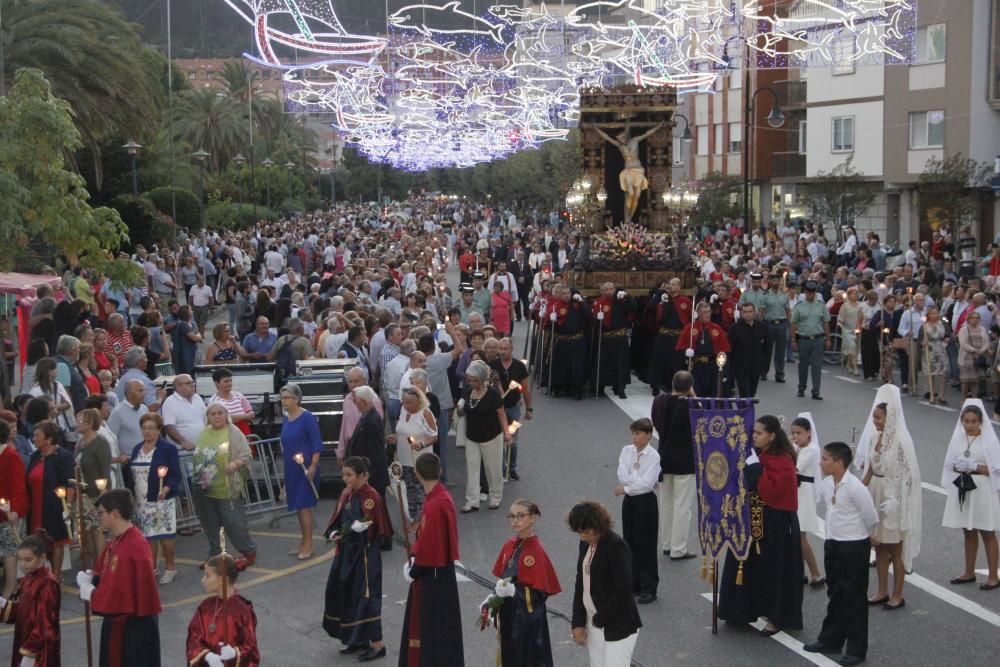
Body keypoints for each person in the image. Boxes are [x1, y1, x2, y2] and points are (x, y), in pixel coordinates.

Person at [718, 415, 803, 634]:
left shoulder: (783, 460)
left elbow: (772, 492)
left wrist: (755, 469)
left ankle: (777, 617)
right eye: (753, 432)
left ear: (772, 435)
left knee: (772, 570)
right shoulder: (757, 454)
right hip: (750, 518)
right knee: (744, 564)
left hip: (774, 522)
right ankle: (740, 610)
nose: (754, 436)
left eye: (759, 433)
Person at [804, 442, 879, 667]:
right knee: (835, 593)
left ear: (839, 463)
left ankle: (856, 648)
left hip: (854, 546)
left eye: (826, 459)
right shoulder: (828, 484)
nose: (821, 462)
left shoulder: (855, 487)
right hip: (833, 544)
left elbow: (871, 516)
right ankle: (831, 639)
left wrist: (865, 536)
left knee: (854, 598)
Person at [78, 488, 162, 667]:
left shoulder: (133, 546)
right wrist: (92, 579)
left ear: (115, 514)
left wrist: (92, 593)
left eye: (101, 513)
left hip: (133, 628)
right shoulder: (118, 541)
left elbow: (120, 591)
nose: (98, 517)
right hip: (119, 623)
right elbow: (109, 574)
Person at [854, 386, 922, 609]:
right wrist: (857, 489)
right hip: (876, 491)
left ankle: (898, 594)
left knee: (895, 549)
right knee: (879, 547)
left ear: (890, 417)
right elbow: (871, 469)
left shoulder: (901, 443)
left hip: (893, 496)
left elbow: (910, 476)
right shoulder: (875, 438)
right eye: (874, 417)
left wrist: (896, 500)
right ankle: (882, 590)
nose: (875, 421)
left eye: (879, 417)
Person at [322, 456, 393, 662]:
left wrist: (365, 528)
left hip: (364, 556)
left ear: (363, 476)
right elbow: (337, 518)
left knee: (366, 597)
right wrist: (334, 533)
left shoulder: (371, 496)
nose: (345, 479)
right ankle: (356, 638)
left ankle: (377, 644)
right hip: (345, 554)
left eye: (350, 475)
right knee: (347, 594)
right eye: (344, 474)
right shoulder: (347, 493)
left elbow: (376, 525)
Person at [399, 452, 464, 667]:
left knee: (433, 629)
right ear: (440, 471)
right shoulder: (437, 496)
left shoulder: (436, 503)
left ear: (417, 475)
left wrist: (414, 569)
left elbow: (431, 546)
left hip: (434, 577)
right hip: (437, 572)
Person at [568, 500, 641, 667]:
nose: (583, 537)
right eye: (579, 533)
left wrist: (600, 618)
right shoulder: (585, 544)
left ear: (598, 526)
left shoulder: (616, 546)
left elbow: (624, 589)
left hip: (618, 623)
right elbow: (581, 582)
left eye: (586, 532)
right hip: (594, 621)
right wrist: (578, 621)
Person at [489, 499, 561, 667]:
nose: (515, 520)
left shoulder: (536, 551)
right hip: (509, 615)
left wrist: (514, 591)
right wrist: (493, 599)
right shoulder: (509, 545)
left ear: (532, 518)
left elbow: (540, 594)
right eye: (512, 516)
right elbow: (503, 578)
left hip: (528, 622)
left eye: (520, 516)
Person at [940, 400, 1000, 589]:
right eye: (966, 421)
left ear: (980, 421)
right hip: (965, 487)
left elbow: (996, 468)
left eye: (973, 421)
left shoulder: (988, 441)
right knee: (968, 530)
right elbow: (949, 463)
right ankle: (969, 571)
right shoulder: (958, 438)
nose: (969, 425)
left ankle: (993, 576)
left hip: (982, 489)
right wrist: (957, 465)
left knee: (987, 532)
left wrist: (975, 466)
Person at [191, 404, 257, 572]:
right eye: (213, 414)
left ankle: (248, 552)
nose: (217, 416)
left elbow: (246, 454)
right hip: (205, 488)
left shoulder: (233, 432)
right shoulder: (205, 432)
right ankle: (216, 555)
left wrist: (235, 463)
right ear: (208, 416)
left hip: (227, 487)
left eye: (220, 413)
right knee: (210, 523)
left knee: (233, 522)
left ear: (226, 415)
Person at [127, 413, 181, 584]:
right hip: (141, 501)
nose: (147, 432)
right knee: (147, 536)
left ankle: (171, 567)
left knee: (165, 535)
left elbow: (175, 474)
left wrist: (165, 488)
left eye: (151, 428)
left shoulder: (167, 449)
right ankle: (152, 568)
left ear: (159, 430)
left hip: (161, 499)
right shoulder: (137, 449)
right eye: (144, 428)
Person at [651, 370, 696, 560]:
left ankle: (667, 543)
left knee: (667, 504)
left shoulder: (660, 401)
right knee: (682, 507)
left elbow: (656, 423)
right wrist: (694, 395)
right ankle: (679, 548)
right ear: (690, 387)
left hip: (664, 457)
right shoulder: (692, 405)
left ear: (672, 383)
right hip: (685, 460)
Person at [614, 418, 660, 604]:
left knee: (646, 544)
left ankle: (649, 586)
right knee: (630, 541)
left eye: (639, 434)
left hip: (646, 503)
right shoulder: (626, 451)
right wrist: (632, 485)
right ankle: (634, 583)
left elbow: (648, 483)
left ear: (648, 435)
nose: (635, 437)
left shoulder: (653, 456)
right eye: (633, 433)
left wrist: (626, 488)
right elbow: (622, 474)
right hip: (630, 502)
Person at [0, 530, 61, 667]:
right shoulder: (28, 579)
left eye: (28, 560)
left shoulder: (48, 583)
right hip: (24, 639)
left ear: (42, 557)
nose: (23, 564)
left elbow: (45, 624)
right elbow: (21, 611)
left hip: (39, 650)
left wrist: (30, 654)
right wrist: (2, 604)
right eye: (20, 559)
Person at [186, 554, 260, 667]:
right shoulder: (205, 607)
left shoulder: (243, 610)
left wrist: (235, 653)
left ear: (222, 579)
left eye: (207, 575)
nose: (203, 580)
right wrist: (207, 656)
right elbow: (194, 637)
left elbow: (251, 647)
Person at [278, 383, 323, 560]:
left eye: (287, 397)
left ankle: (309, 544)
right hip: (292, 469)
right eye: (282, 398)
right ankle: (303, 541)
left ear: (296, 399)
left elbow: (316, 443)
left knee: (304, 506)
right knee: (297, 506)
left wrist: (313, 465)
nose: (283, 401)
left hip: (305, 468)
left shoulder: (307, 417)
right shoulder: (286, 419)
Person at [459, 360, 511, 513]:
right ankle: (472, 501)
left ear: (482, 379)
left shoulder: (493, 393)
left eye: (474, 379)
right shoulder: (468, 391)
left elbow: (501, 414)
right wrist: (460, 409)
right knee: (472, 469)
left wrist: (507, 433)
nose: (470, 382)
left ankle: (495, 497)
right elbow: (463, 411)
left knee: (493, 468)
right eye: (469, 379)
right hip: (472, 436)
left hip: (491, 436)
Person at [25, 421, 75, 576]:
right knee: (36, 543)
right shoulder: (36, 455)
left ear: (49, 438)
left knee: (56, 542)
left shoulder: (63, 456)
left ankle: (55, 577)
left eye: (37, 435)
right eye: (34, 435)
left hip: (54, 507)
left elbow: (70, 484)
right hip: (35, 507)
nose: (34, 438)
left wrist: (68, 506)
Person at [391, 386, 437, 521]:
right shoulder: (403, 410)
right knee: (410, 489)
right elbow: (401, 430)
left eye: (409, 402)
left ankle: (423, 519)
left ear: (418, 401)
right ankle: (413, 518)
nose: (406, 405)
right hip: (404, 458)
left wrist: (421, 444)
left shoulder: (425, 413)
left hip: (420, 459)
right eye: (404, 402)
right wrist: (395, 437)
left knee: (420, 490)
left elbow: (434, 436)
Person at [790, 414, 824, 587]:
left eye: (799, 433)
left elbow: (794, 467)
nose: (795, 437)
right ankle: (800, 572)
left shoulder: (812, 449)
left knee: (800, 535)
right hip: (797, 491)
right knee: (795, 535)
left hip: (804, 492)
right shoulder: (798, 447)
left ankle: (816, 574)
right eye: (793, 433)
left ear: (809, 433)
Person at [76, 408, 113, 563]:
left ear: (90, 423)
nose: (76, 423)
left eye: (80, 420)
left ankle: (101, 565)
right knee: (87, 531)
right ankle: (90, 566)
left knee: (99, 531)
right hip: (83, 494)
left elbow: (105, 470)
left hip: (97, 494)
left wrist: (103, 495)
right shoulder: (81, 443)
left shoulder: (100, 443)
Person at [675, 303, 730, 397]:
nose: (707, 314)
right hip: (696, 367)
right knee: (696, 393)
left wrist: (725, 371)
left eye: (709, 311)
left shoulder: (717, 328)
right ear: (698, 313)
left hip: (713, 367)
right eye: (704, 312)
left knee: (713, 393)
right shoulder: (690, 328)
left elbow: (724, 352)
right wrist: (685, 351)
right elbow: (679, 348)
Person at [591, 283, 635, 399]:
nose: (609, 291)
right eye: (606, 289)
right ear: (602, 291)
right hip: (605, 338)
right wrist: (597, 318)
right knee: (603, 363)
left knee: (620, 363)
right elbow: (592, 320)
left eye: (611, 289)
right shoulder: (599, 302)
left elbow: (633, 308)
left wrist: (626, 297)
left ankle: (620, 388)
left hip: (620, 337)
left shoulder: (621, 300)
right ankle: (600, 387)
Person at [0, 420, 28, 598]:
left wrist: (14, 511)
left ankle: (9, 590)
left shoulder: (10, 455)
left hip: (10, 513)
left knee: (10, 552)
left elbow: (19, 487)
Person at [791, 280, 832, 400]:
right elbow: (793, 324)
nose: (810, 295)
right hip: (803, 339)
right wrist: (793, 341)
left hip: (817, 339)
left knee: (817, 366)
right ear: (805, 292)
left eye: (813, 293)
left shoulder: (821, 306)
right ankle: (801, 388)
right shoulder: (799, 306)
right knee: (803, 365)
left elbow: (825, 323)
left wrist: (828, 339)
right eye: (808, 292)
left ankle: (816, 391)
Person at [728, 303, 770, 398]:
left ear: (754, 312)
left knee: (752, 393)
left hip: (756, 365)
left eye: (750, 311)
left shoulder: (762, 327)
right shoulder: (734, 328)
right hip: (741, 367)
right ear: (741, 313)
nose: (747, 314)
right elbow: (730, 349)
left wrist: (765, 366)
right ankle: (744, 411)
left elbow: (767, 348)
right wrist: (731, 368)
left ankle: (747, 411)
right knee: (745, 393)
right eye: (745, 312)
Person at [207, 367, 255, 437]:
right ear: (217, 383)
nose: (230, 383)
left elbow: (252, 414)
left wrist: (231, 418)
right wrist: (245, 416)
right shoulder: (213, 401)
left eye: (230, 380)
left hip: (246, 435)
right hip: (226, 438)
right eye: (226, 381)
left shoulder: (239, 395)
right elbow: (221, 420)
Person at [957, 310, 989, 399]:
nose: (975, 320)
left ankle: (975, 398)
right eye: (973, 318)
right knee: (966, 380)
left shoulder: (982, 329)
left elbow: (986, 342)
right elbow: (963, 343)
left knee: (976, 379)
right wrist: (974, 350)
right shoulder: (964, 329)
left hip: (978, 357)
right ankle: (964, 398)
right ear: (969, 319)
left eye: (977, 318)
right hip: (966, 357)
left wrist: (981, 351)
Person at [839, 287, 863, 377]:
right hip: (847, 330)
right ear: (849, 295)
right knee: (851, 346)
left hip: (858, 329)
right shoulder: (845, 305)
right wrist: (842, 328)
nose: (855, 295)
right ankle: (855, 367)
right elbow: (840, 319)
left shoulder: (861, 305)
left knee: (856, 349)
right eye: (853, 293)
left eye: (856, 293)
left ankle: (849, 363)